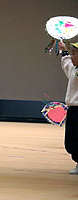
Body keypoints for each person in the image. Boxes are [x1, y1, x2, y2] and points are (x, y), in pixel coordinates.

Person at [58, 41, 78, 174]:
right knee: (71, 140)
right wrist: (63, 51)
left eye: (74, 53)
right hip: (73, 110)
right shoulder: (73, 69)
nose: (72, 56)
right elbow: (66, 64)